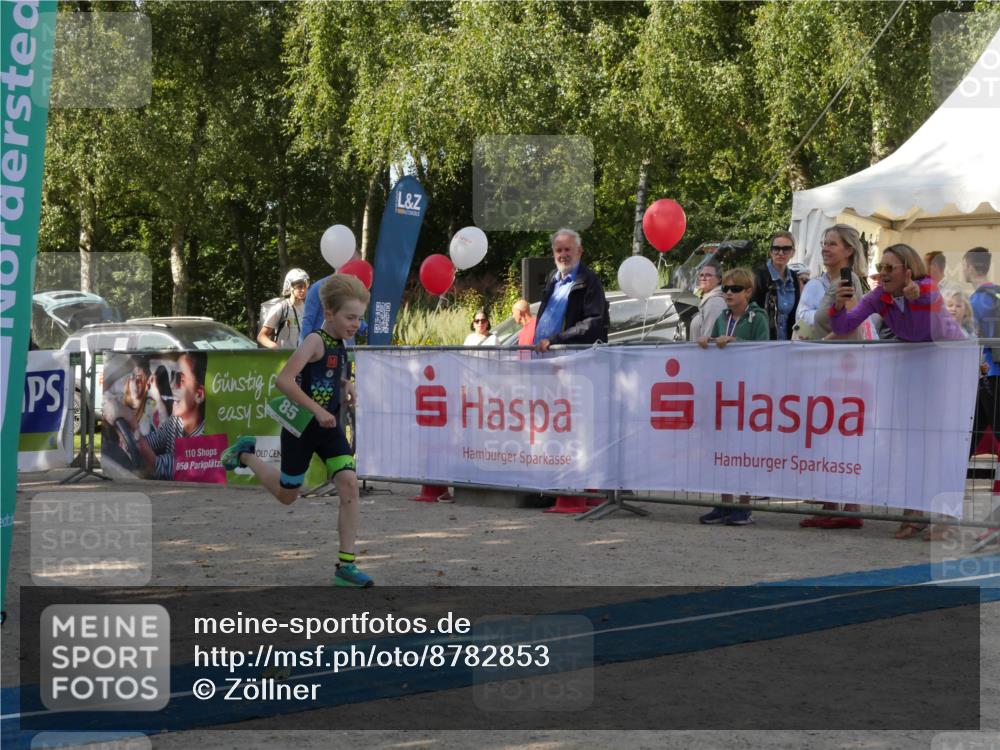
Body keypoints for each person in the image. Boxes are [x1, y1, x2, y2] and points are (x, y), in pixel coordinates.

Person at [221, 275, 373, 587]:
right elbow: (284, 380)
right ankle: (246, 455)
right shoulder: (314, 341)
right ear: (329, 313)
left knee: (349, 485)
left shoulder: (341, 342)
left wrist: (346, 384)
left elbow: (326, 374)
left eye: (359, 318)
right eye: (350, 317)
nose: (356, 325)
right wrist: (317, 410)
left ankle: (346, 567)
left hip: (328, 428)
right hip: (301, 428)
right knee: (288, 495)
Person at [830, 244, 966, 539]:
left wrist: (917, 293)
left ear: (908, 270)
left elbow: (928, 294)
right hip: (919, 370)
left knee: (940, 446)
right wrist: (838, 305)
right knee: (912, 444)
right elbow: (844, 326)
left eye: (890, 268)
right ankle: (914, 511)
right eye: (881, 267)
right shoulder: (880, 295)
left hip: (951, 365)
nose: (882, 273)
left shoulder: (926, 286)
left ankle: (945, 517)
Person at [696, 268, 769, 526]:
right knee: (723, 448)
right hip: (725, 391)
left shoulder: (758, 317)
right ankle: (725, 503)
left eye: (735, 289)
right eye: (725, 288)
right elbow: (718, 343)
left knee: (745, 449)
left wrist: (735, 341)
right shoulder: (722, 316)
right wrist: (707, 341)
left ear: (748, 292)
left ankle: (744, 505)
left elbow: (764, 349)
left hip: (749, 392)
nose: (728, 293)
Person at [534, 228, 609, 353]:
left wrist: (555, 340)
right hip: (542, 354)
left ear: (579, 251)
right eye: (559, 250)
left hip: (568, 357)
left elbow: (593, 322)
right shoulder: (552, 279)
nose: (563, 255)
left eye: (567, 249)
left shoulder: (589, 280)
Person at [752, 231, 802, 340]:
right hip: (764, 341)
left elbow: (796, 313)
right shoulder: (759, 276)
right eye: (776, 248)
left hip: (788, 342)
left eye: (786, 249)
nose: (780, 253)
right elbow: (752, 311)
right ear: (770, 251)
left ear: (793, 252)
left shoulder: (794, 277)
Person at [258, 268, 309, 349]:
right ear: (290, 287)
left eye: (305, 286)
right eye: (299, 286)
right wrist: (275, 347)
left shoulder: (308, 309)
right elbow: (261, 336)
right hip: (284, 356)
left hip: (302, 355)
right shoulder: (281, 307)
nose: (303, 290)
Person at [688, 261, 727, 341]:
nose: (703, 278)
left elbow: (709, 340)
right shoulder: (709, 298)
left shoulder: (714, 302)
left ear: (719, 279)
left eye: (708, 275)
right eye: (701, 275)